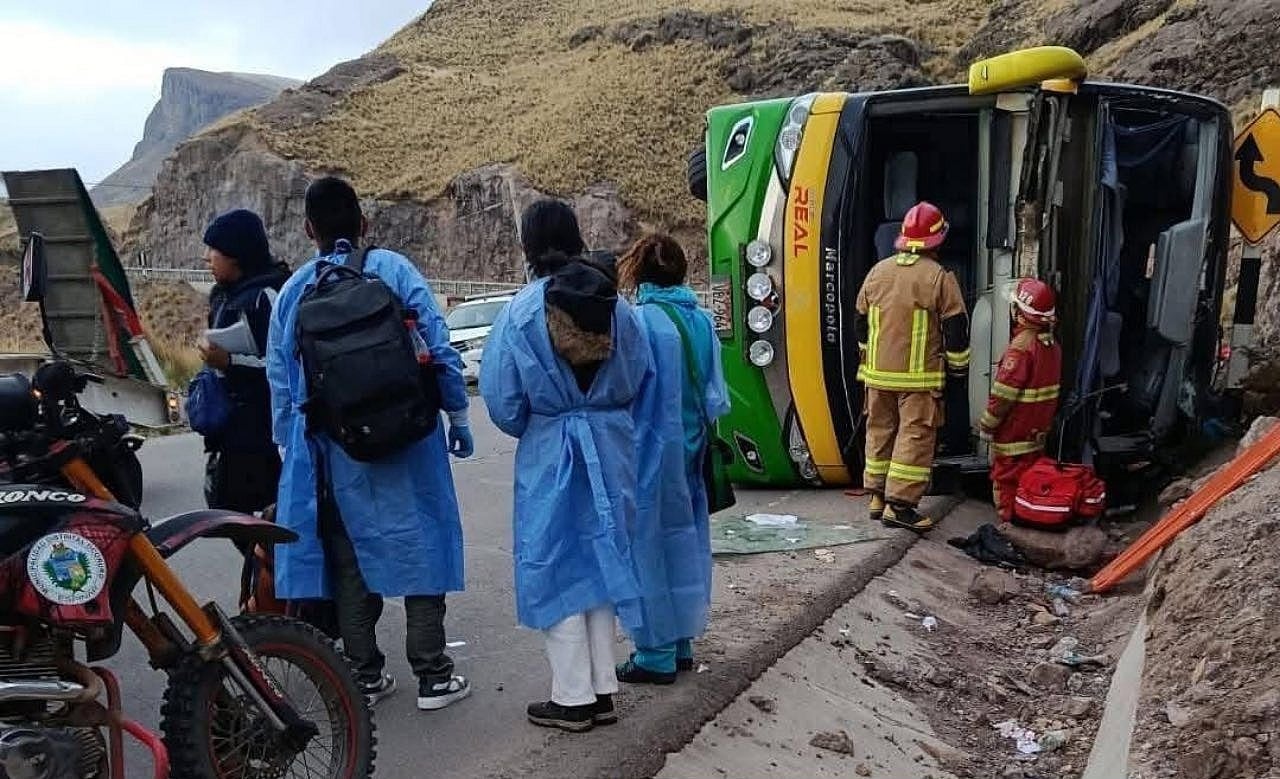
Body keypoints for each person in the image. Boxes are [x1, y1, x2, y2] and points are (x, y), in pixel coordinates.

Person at [266, 176, 474, 711]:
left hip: (337, 449)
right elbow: (439, 348)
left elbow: (282, 382)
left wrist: (291, 450)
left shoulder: (295, 292)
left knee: (350, 557)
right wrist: (458, 414)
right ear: (364, 223)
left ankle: (364, 675)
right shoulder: (396, 270)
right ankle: (433, 674)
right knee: (423, 541)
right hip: (411, 437)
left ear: (309, 229)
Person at [480, 199, 647, 733]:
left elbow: (504, 402)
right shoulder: (621, 308)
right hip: (611, 444)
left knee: (553, 566)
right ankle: (601, 689)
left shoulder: (520, 311)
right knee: (602, 563)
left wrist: (548, 417)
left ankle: (571, 696)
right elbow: (641, 374)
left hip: (553, 449)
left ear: (529, 247)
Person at [614, 233, 729, 684]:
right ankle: (682, 639)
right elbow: (717, 397)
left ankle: (654, 652)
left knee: (647, 546)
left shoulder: (638, 322)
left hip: (646, 452)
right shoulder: (700, 321)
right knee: (686, 540)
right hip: (691, 450)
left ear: (639, 274)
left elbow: (622, 388)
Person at [855, 201, 970, 532]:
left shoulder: (878, 272)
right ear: (938, 240)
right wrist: (958, 372)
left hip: (876, 377)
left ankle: (877, 497)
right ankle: (901, 506)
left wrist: (868, 355)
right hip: (918, 380)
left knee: (879, 432)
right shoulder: (938, 278)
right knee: (914, 436)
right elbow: (956, 331)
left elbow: (859, 321)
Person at [198, 208, 290, 514]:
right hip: (232, 431)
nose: (207, 257)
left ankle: (273, 562)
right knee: (229, 511)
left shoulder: (269, 295)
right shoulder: (221, 295)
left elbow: (285, 368)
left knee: (268, 516)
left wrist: (229, 362)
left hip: (265, 431)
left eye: (215, 249)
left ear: (235, 255)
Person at [980, 278, 1063, 521]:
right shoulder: (1052, 346)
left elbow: (1003, 396)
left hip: (1012, 437)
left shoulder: (1020, 348)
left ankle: (1009, 532)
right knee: (1029, 486)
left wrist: (987, 425)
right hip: (1035, 437)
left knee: (1006, 486)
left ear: (1022, 313)